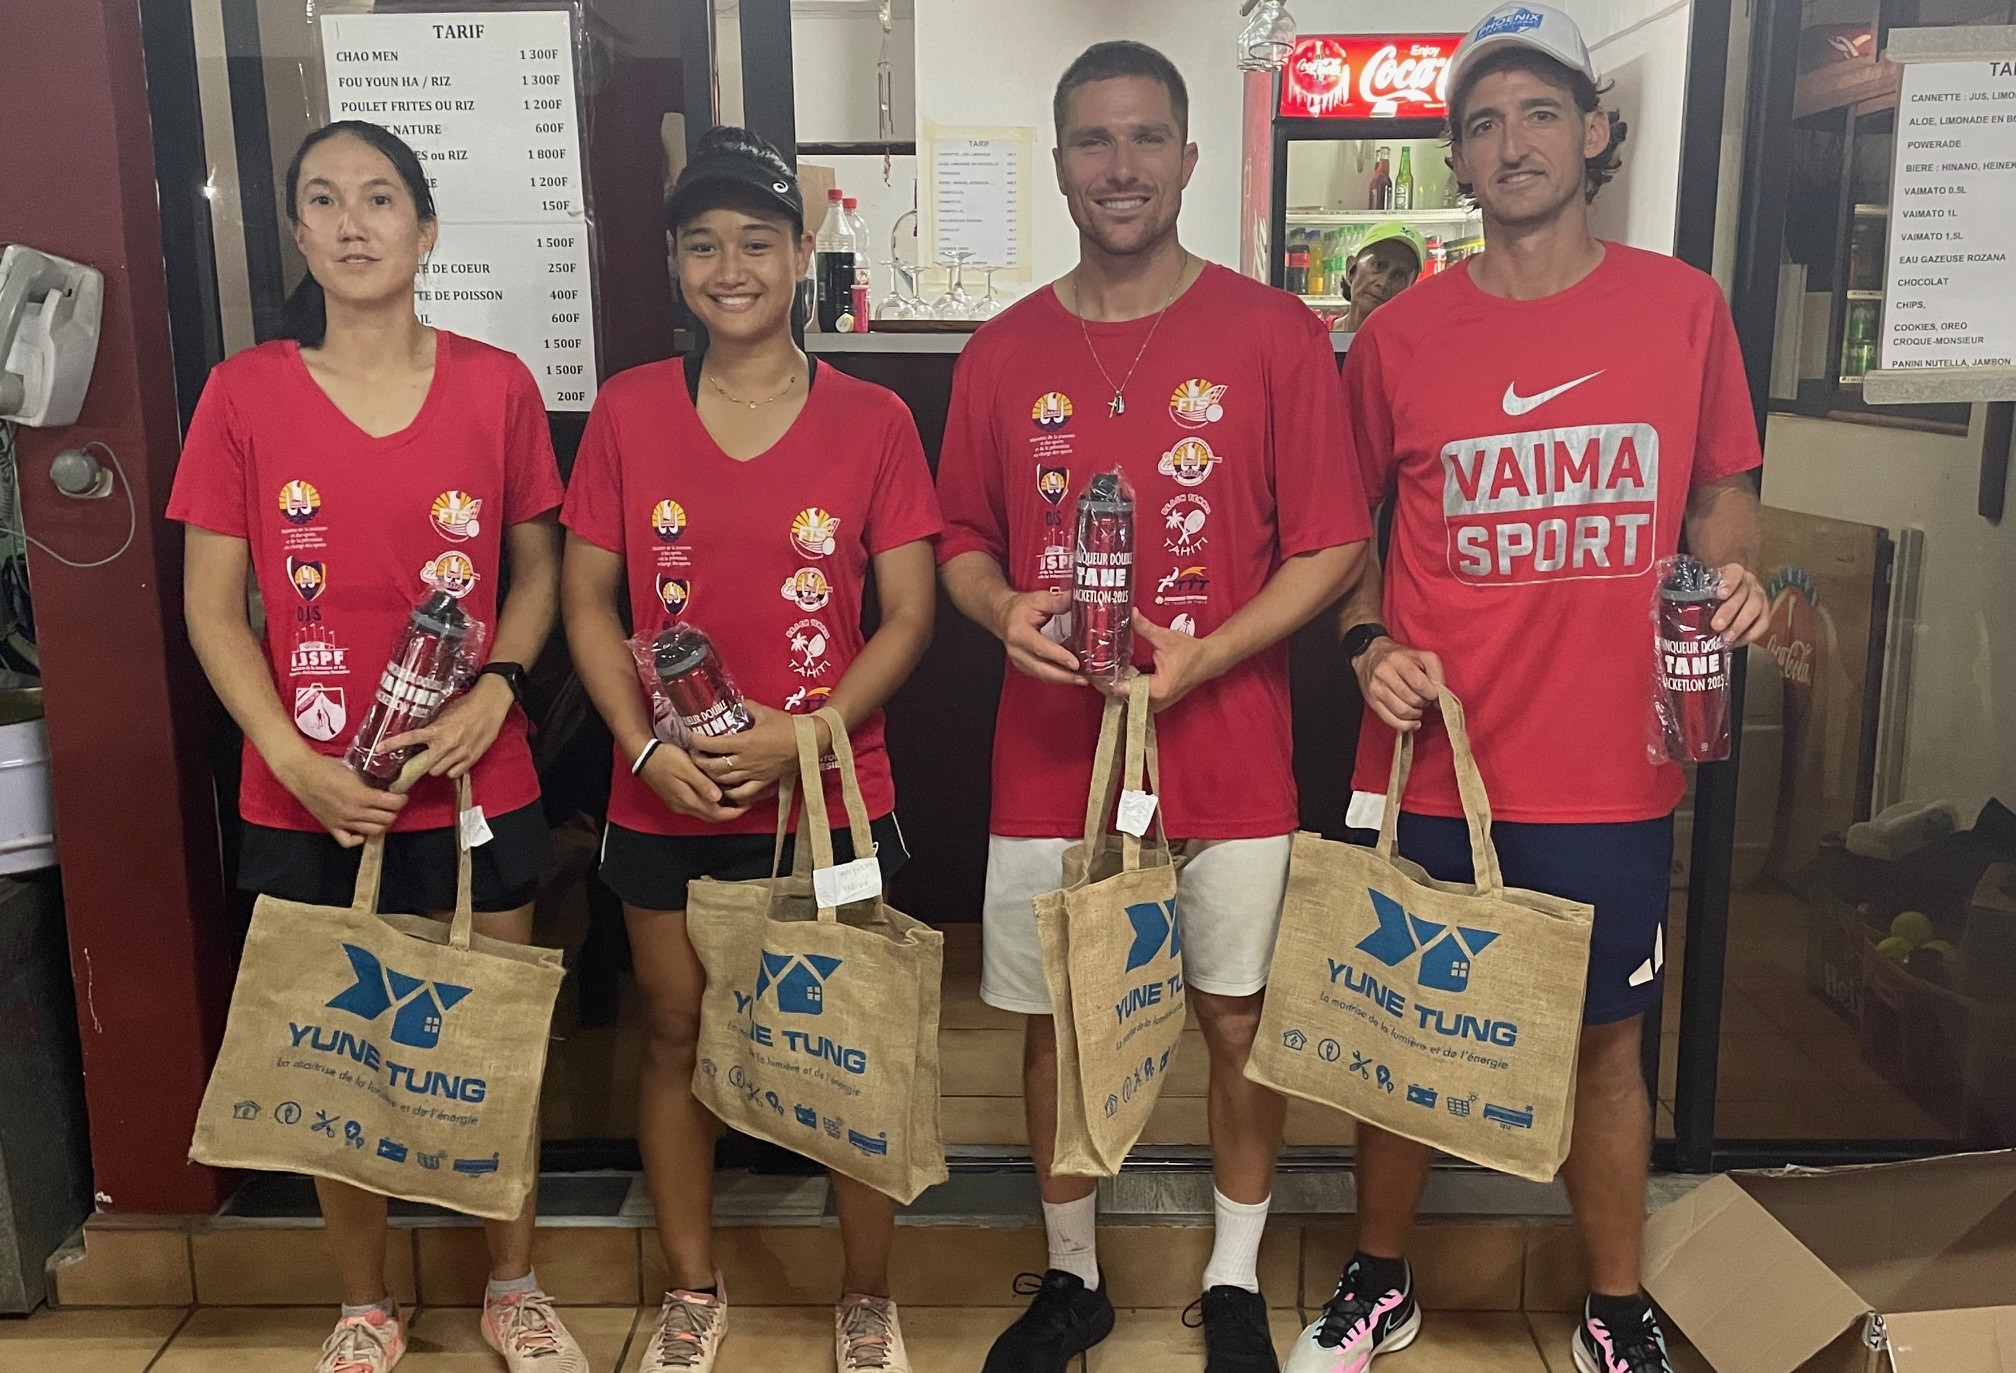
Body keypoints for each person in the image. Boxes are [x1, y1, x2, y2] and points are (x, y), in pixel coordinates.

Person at [1300, 8, 1768, 1373]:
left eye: (1543, 113)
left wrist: (1732, 576)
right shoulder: (1396, 340)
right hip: (1435, 759)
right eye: (1486, 121)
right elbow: (1350, 533)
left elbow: (1723, 490)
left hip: (1613, 762)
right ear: (1457, 156)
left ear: (1597, 133)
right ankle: (1381, 1279)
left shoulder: (1684, 310)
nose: (1515, 142)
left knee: (1606, 1048)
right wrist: (1365, 642)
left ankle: (1613, 1306)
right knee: (1399, 1035)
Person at [936, 41, 1371, 1373]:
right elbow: (959, 538)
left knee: (1234, 1018)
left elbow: (1335, 544)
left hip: (1229, 753)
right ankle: (1073, 1282)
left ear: (1188, 158)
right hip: (1049, 758)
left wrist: (1211, 653)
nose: (1119, 168)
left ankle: (1233, 1280)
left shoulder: (1275, 334)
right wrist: (1006, 608)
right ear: (1059, 162)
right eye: (1091, 142)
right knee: (1058, 1024)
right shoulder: (1004, 350)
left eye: (1144, 140)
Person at [170, 121, 582, 1373]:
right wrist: (289, 759)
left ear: (426, 226)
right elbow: (210, 605)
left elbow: (539, 567)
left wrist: (499, 690)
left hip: (474, 780)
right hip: (306, 792)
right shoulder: (243, 394)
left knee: (487, 1043)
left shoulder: (496, 384)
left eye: (381, 199)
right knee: (337, 1056)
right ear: (295, 233)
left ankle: (512, 1282)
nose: (354, 224)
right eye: (324, 202)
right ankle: (363, 1302)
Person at [560, 126, 941, 1373]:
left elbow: (909, 613)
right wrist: (637, 741)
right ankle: (693, 1283)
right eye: (705, 244)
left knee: (847, 1037)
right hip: (663, 791)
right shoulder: (625, 411)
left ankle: (867, 1295)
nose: (732, 267)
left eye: (758, 243)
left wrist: (810, 736)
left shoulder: (874, 419)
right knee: (673, 1028)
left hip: (831, 794)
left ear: (799, 254)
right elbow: (586, 603)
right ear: (675, 261)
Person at [1334, 221, 1425, 343]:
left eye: (1399, 275)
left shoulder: (1409, 350)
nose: (1383, 283)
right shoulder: (1315, 334)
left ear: (1410, 287)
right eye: (1378, 265)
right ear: (1351, 268)